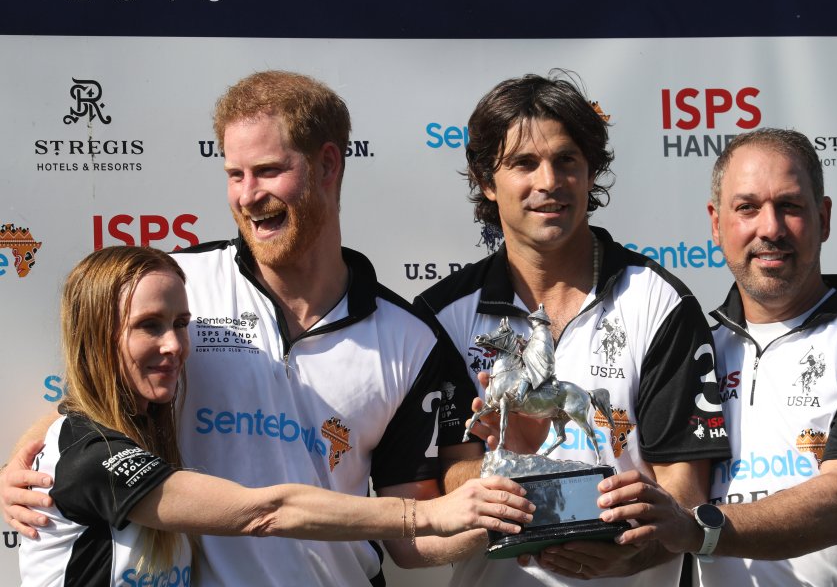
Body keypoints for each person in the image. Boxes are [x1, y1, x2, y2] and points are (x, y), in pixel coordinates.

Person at [3, 70, 500, 586]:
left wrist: (513, 520)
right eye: (234, 174)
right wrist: (21, 469)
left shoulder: (410, 338)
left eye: (267, 170)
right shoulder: (176, 285)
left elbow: (412, 542)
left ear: (328, 164)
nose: (247, 195)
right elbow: (91, 403)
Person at [21, 245, 535, 586]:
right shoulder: (87, 454)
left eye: (181, 323)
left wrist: (534, 505)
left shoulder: (142, 433)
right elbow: (265, 512)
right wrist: (426, 514)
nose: (175, 345)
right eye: (148, 326)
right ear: (95, 336)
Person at [596, 128, 837, 586]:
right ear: (716, 223)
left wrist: (700, 529)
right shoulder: (684, 355)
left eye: (790, 206)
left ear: (823, 218)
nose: (770, 228)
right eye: (747, 208)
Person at [414, 72, 731, 586]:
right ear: (486, 182)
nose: (549, 182)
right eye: (523, 163)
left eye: (566, 161)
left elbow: (686, 492)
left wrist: (632, 551)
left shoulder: (658, 303)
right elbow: (438, 489)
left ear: (590, 173)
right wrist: (512, 463)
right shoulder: (441, 316)